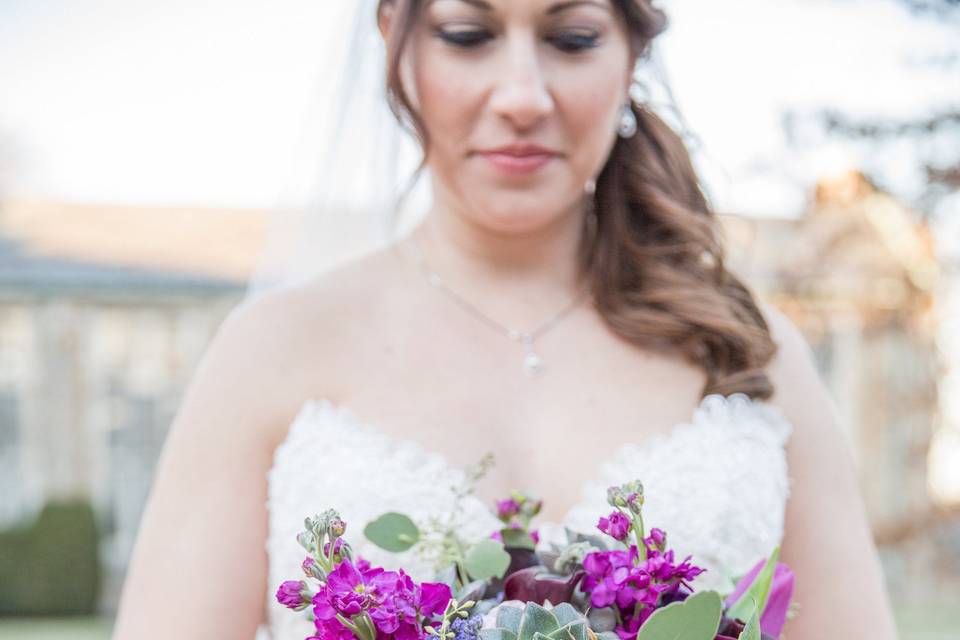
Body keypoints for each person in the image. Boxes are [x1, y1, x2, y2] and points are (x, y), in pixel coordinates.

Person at [112, 1, 898, 638]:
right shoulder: (274, 348)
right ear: (397, 43)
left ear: (631, 55)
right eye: (468, 34)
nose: (522, 96)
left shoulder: (749, 351)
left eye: (571, 37)